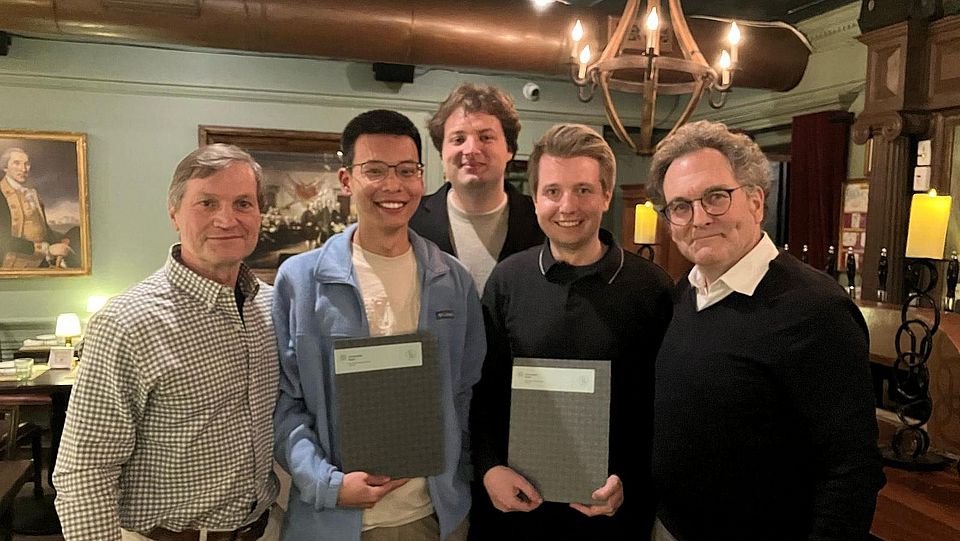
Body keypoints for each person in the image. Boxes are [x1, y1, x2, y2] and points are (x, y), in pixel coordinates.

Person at [646, 120, 885, 541]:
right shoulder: (684, 292)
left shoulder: (816, 310)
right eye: (680, 206)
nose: (699, 218)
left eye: (715, 197)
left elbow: (851, 469)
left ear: (756, 202)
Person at [273, 109, 485, 541]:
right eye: (375, 170)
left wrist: (458, 479)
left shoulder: (454, 281)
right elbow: (285, 402)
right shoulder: (300, 281)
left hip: (433, 518)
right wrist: (327, 484)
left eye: (406, 171)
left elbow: (466, 393)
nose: (393, 186)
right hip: (331, 521)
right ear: (347, 179)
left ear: (421, 178)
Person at [54, 144, 281, 541]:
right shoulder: (126, 323)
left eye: (243, 203)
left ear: (259, 214)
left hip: (263, 530)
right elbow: (86, 469)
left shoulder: (274, 306)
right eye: (207, 203)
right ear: (174, 213)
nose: (227, 219)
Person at [472, 124, 673, 539]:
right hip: (518, 510)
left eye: (583, 190)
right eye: (553, 191)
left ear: (606, 195)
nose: (568, 206)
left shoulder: (651, 288)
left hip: (615, 514)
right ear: (535, 198)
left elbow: (665, 406)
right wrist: (489, 468)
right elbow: (484, 389)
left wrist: (630, 479)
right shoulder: (508, 280)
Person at [410, 83, 543, 292]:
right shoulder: (410, 221)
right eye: (458, 139)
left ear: (510, 149)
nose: (471, 149)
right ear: (441, 152)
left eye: (485, 137)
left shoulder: (542, 221)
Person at [0, 147, 71, 267]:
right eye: (16, 163)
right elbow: (3, 238)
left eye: (26, 164)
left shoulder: (32, 194)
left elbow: (44, 229)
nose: (23, 169)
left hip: (39, 262)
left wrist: (60, 241)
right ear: (5, 167)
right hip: (10, 264)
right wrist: (45, 249)